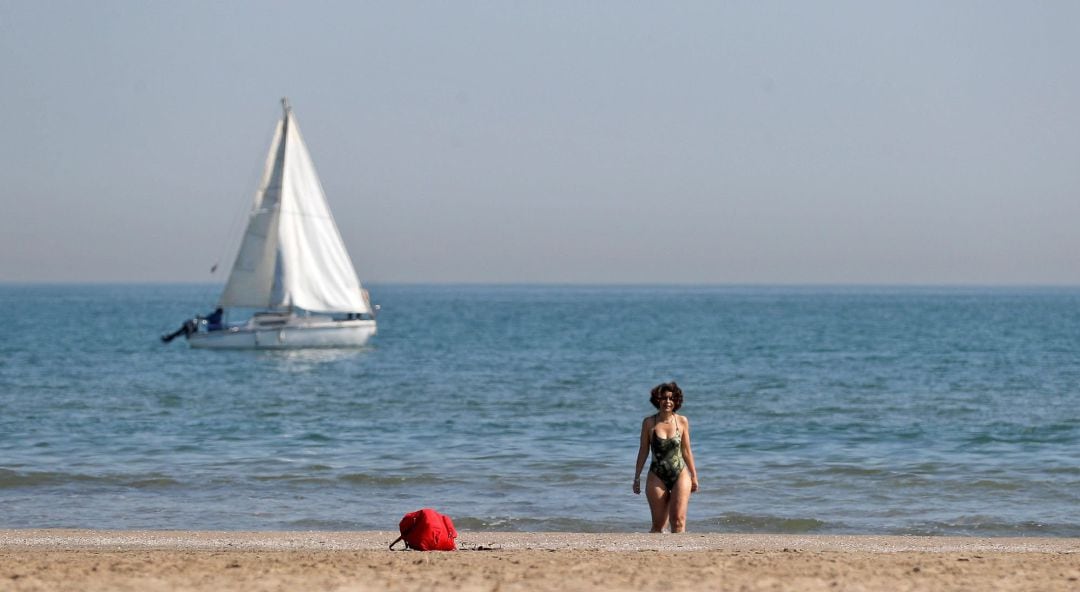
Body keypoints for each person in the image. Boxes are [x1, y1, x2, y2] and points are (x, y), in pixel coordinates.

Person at [633, 381, 699, 533]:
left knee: (678, 521)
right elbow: (643, 450)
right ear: (657, 400)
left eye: (670, 398)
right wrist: (637, 477)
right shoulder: (649, 422)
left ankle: (680, 552)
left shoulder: (682, 421)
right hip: (657, 474)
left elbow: (687, 450)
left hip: (679, 473)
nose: (667, 402)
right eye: (663, 398)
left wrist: (694, 476)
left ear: (676, 401)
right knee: (658, 525)